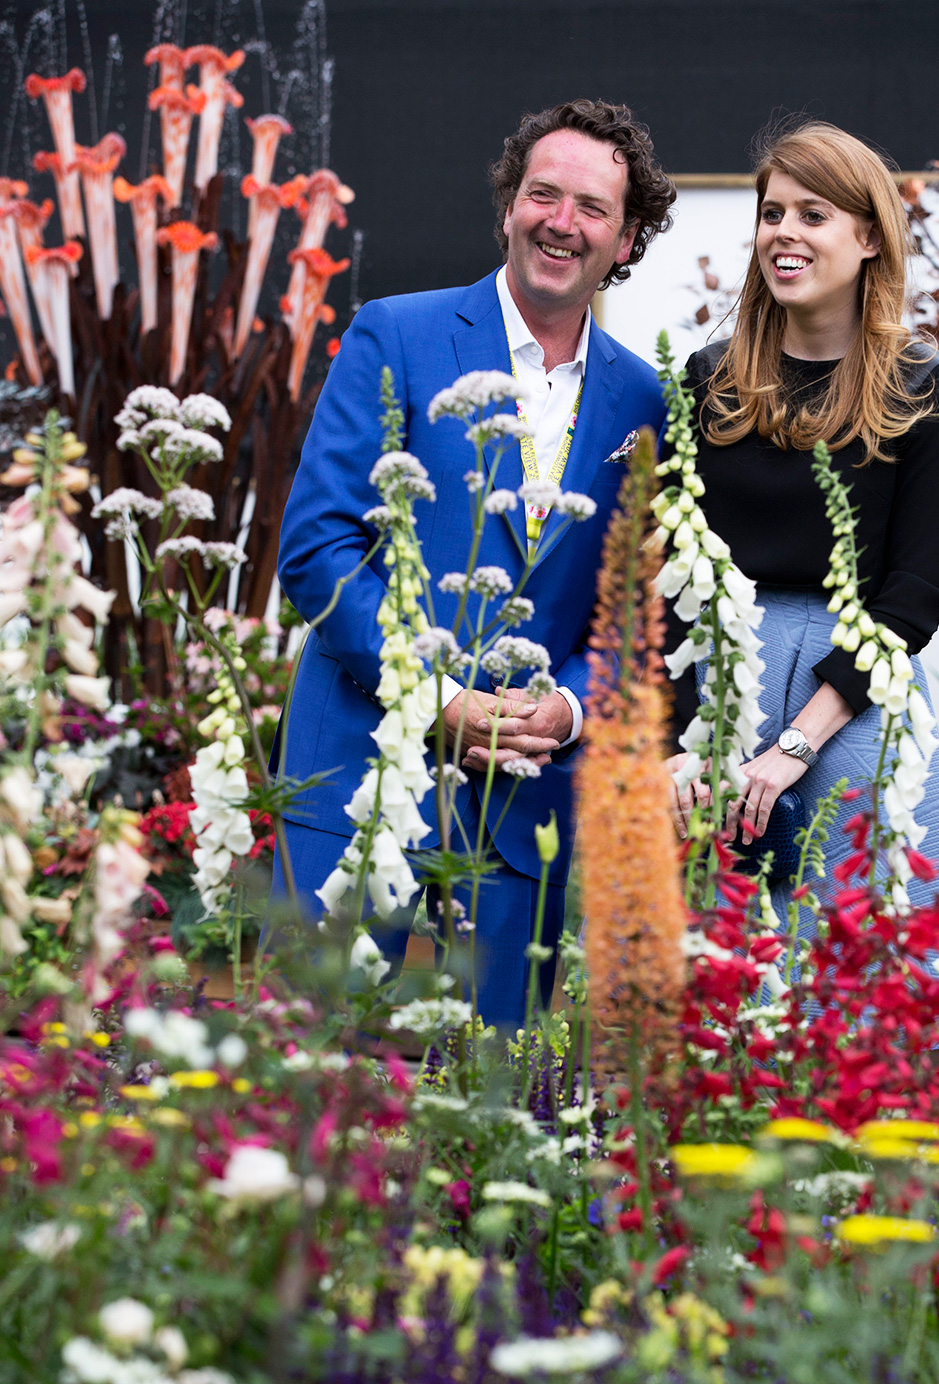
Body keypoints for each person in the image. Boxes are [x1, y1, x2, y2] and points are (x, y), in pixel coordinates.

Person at [274, 100, 675, 1026]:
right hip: (360, 770)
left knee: (499, 1102)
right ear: (507, 206)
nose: (560, 222)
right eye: (542, 193)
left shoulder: (644, 397)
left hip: (526, 800)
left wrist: (570, 708)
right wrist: (438, 697)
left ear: (624, 241)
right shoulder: (396, 335)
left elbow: (629, 610)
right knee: (303, 1071)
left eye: (591, 208)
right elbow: (318, 548)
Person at [669, 119, 939, 1000]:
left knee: (890, 927)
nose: (785, 234)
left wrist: (802, 740)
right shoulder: (708, 381)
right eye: (774, 213)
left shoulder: (925, 390)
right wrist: (677, 738)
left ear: (869, 236)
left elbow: (918, 588)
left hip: (856, 689)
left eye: (815, 214)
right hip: (720, 680)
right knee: (725, 948)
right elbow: (663, 567)